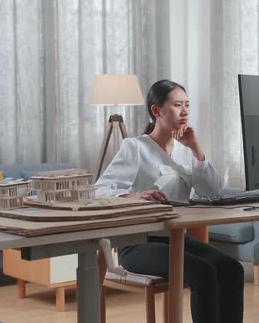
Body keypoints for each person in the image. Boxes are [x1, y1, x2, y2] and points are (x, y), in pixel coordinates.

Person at [95, 79, 244, 323]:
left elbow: (210, 192)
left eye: (187, 105)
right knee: (203, 272)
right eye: (177, 105)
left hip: (177, 240)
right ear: (157, 110)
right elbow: (100, 190)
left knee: (232, 269)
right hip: (139, 244)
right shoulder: (135, 147)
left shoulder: (185, 150)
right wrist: (134, 197)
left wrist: (196, 148)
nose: (184, 111)